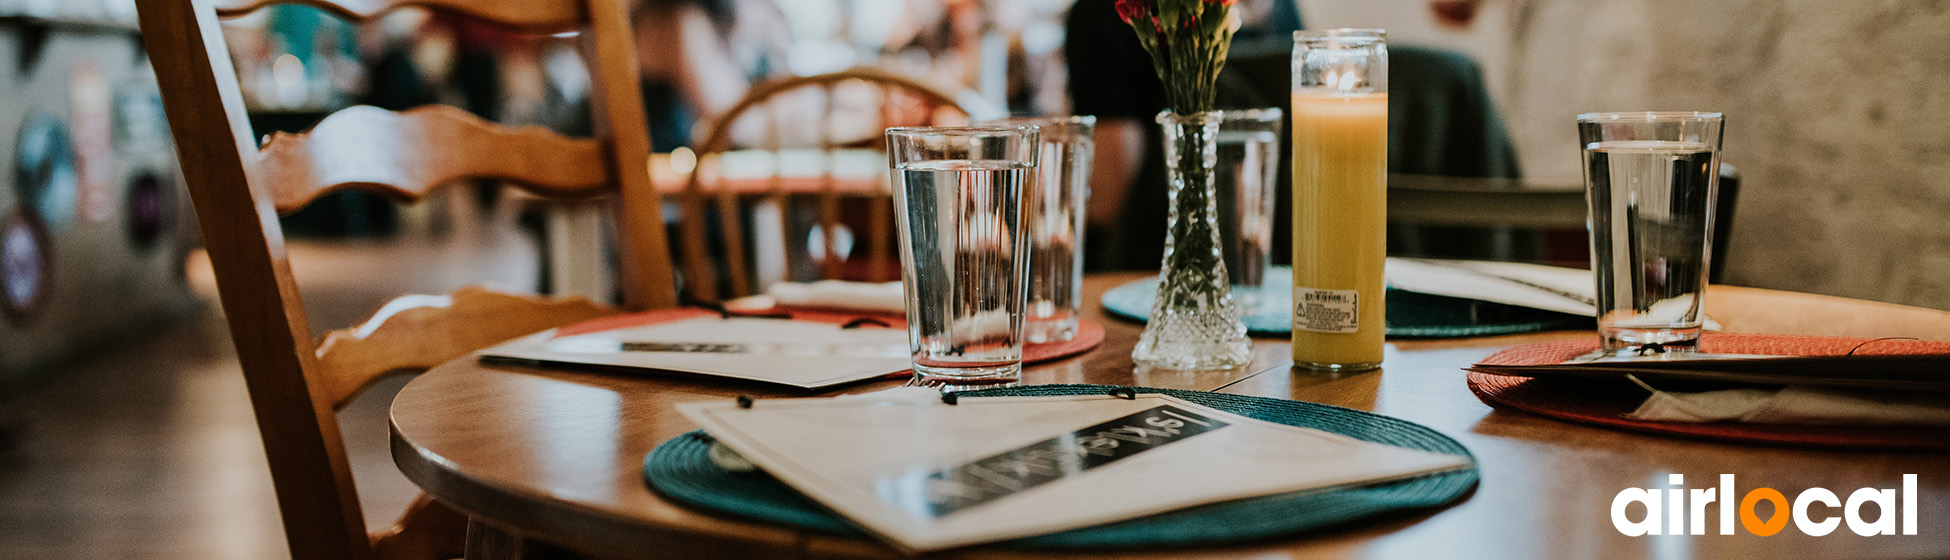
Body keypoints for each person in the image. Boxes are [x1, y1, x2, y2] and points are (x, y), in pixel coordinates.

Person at [1064, 0, 1302, 270]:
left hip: (1146, 275)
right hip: (1270, 269)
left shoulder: (1105, 12)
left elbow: (1110, 201)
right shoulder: (1279, 8)